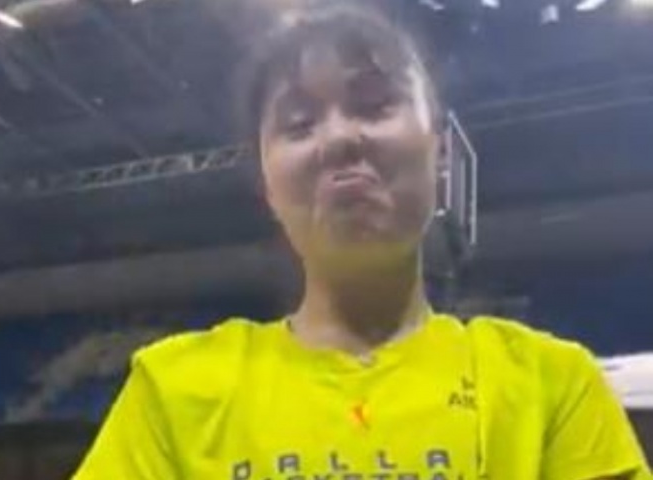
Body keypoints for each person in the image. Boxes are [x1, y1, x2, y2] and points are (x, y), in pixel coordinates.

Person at [72, 4, 650, 480]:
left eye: (374, 105)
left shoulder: (552, 386)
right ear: (267, 186)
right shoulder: (173, 389)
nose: (339, 139)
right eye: (299, 124)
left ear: (439, 150)